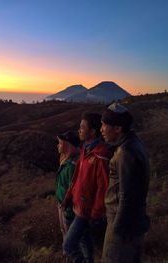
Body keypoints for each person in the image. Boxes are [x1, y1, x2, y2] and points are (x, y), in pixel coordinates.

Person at [100, 103, 150, 263]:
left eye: (104, 125)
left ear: (117, 129)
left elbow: (127, 196)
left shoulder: (125, 152)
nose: (101, 130)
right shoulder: (135, 143)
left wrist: (117, 230)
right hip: (134, 222)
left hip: (123, 224)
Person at [62, 112, 112, 263]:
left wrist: (96, 214)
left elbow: (103, 187)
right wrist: (68, 196)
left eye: (82, 127)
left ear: (92, 132)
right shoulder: (86, 149)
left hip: (86, 210)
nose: (79, 130)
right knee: (85, 242)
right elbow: (77, 177)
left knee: (68, 246)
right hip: (78, 205)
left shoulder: (100, 155)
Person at [55, 131, 80, 241]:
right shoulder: (65, 161)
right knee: (64, 232)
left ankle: (72, 257)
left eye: (60, 143)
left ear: (68, 145)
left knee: (70, 238)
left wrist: (68, 211)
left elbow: (73, 189)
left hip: (68, 208)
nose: (58, 145)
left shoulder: (71, 166)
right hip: (62, 205)